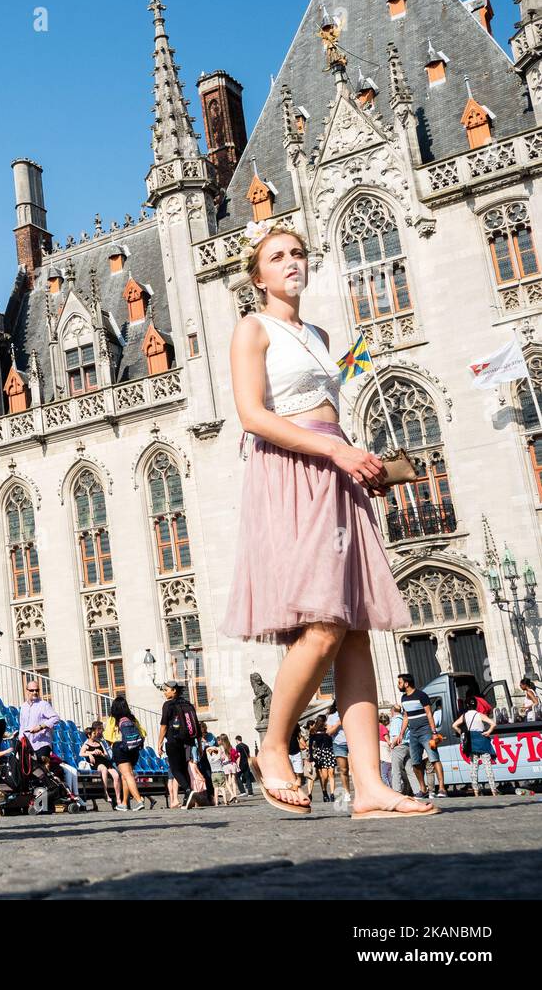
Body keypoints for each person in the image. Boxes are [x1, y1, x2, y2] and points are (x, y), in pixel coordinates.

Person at [220, 219, 434, 820]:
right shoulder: (251, 329)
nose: (292, 262)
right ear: (257, 276)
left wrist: (356, 460)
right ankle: (272, 744)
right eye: (278, 256)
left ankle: (369, 785)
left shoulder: (316, 331)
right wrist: (334, 451)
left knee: (356, 627)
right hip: (292, 474)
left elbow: (325, 408)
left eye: (299, 253)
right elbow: (252, 415)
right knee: (321, 624)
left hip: (336, 470)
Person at [20, 681, 79, 799]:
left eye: (37, 690)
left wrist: (41, 726)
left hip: (42, 742)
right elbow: (22, 725)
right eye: (32, 690)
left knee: (42, 766)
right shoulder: (23, 707)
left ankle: (50, 794)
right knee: (32, 770)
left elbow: (56, 718)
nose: (35, 692)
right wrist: (20, 738)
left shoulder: (44, 704)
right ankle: (39, 796)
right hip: (28, 743)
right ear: (27, 691)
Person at [157, 681, 202, 809]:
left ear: (174, 690)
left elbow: (164, 725)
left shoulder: (168, 705)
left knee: (175, 769)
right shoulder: (188, 704)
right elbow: (197, 725)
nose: (165, 692)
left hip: (173, 740)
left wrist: (159, 743)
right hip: (188, 741)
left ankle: (188, 790)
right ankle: (188, 799)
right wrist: (198, 744)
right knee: (183, 769)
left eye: (166, 690)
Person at [396, 673, 439, 800]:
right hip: (413, 734)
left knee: (433, 758)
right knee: (415, 763)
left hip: (426, 731)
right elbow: (405, 717)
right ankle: (422, 789)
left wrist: (434, 732)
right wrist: (401, 734)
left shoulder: (421, 695)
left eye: (400, 682)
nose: (398, 685)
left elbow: (429, 713)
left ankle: (441, 788)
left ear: (406, 683)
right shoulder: (403, 698)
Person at [108, 696, 153, 810]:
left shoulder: (114, 719)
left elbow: (108, 735)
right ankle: (123, 803)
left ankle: (139, 800)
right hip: (134, 749)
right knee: (125, 776)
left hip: (120, 748)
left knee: (127, 775)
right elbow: (143, 733)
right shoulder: (132, 719)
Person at [452, 695, 498, 797]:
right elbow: (493, 724)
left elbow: (454, 725)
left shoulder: (464, 716)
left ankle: (476, 791)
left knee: (474, 767)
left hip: (471, 743)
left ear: (466, 705)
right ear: (476, 705)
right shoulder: (480, 714)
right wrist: (488, 732)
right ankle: (493, 790)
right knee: (488, 766)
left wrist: (462, 733)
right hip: (482, 741)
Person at [80, 720, 123, 809]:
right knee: (103, 769)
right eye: (94, 733)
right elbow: (81, 753)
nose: (95, 735)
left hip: (104, 760)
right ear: (89, 735)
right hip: (97, 763)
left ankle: (118, 799)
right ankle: (105, 793)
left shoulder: (100, 742)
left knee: (116, 775)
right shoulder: (86, 744)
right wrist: (91, 753)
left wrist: (101, 753)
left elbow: (106, 754)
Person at [326, 702, 350, 806]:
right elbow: (329, 732)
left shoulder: (351, 713)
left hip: (353, 743)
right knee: (344, 770)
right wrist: (338, 723)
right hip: (339, 744)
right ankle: (347, 792)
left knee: (357, 769)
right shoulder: (332, 716)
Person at [307, 717, 335, 802]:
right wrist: (311, 757)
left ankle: (332, 794)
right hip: (320, 754)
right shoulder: (313, 732)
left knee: (331, 773)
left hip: (329, 752)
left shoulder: (328, 730)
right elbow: (311, 746)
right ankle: (324, 791)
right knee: (324, 776)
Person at [217, 734, 241, 804]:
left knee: (226, 781)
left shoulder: (221, 748)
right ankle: (235, 797)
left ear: (221, 740)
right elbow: (236, 755)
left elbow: (221, 758)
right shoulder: (230, 746)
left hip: (225, 765)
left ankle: (232, 795)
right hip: (232, 764)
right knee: (233, 781)